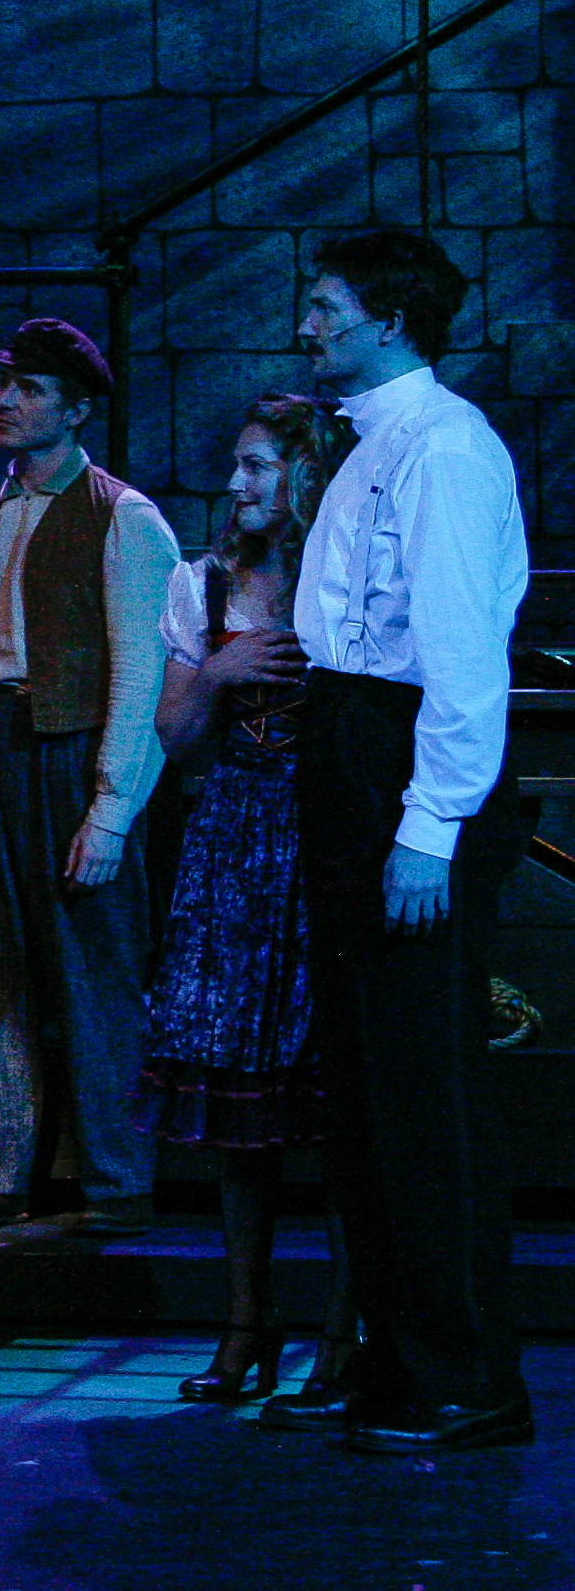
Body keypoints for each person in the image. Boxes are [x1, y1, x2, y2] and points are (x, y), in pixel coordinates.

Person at [287, 230, 531, 1455]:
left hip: (400, 755)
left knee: (422, 1083)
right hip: (350, 737)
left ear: (386, 318)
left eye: (324, 305)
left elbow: (460, 655)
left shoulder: (441, 447)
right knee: (368, 1085)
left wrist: (427, 824)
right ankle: (397, 1354)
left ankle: (464, 1372)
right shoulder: (374, 440)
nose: (306, 324)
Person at [0, 318, 175, 1238]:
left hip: (71, 751)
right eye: (4, 384)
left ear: (75, 410)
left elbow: (141, 668)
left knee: (95, 966)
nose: (6, 401)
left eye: (28, 388)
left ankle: (116, 1178)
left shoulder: (123, 518)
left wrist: (110, 809)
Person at [137, 396, 353, 1407]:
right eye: (238, 464)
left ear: (306, 475)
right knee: (238, 1111)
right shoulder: (204, 583)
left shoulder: (344, 580)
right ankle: (244, 1322)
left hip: (321, 840)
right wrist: (217, 671)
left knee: (336, 1103)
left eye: (259, 465)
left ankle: (342, 1331)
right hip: (231, 847)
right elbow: (173, 735)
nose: (237, 484)